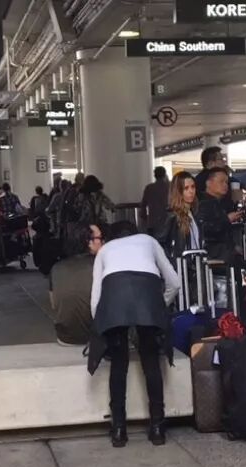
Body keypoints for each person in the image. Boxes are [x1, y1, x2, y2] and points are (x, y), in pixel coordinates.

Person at [89, 221, 180, 448]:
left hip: (114, 299)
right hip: (147, 295)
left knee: (118, 364)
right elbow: (175, 283)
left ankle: (119, 429)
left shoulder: (105, 250)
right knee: (151, 361)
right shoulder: (148, 241)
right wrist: (159, 305)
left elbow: (96, 298)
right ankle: (157, 427)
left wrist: (102, 324)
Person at [49, 223, 103, 346]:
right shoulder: (101, 265)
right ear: (89, 242)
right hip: (96, 338)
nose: (103, 242)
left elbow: (54, 304)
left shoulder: (57, 268)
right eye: (100, 238)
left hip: (65, 337)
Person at [196, 168, 244, 263]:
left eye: (226, 182)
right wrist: (227, 219)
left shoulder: (219, 203)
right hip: (213, 255)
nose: (225, 185)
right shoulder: (204, 203)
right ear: (208, 183)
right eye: (221, 181)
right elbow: (205, 229)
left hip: (223, 252)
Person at [157, 171, 200, 262]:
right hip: (179, 265)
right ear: (178, 191)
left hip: (193, 263)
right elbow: (159, 244)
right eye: (186, 188)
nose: (191, 191)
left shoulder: (194, 214)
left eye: (193, 187)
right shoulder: (171, 216)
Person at [140, 166, 170, 236]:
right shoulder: (168, 188)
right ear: (164, 175)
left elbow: (143, 204)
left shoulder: (149, 188)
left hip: (152, 223)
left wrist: (144, 218)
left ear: (154, 175)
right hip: (166, 223)